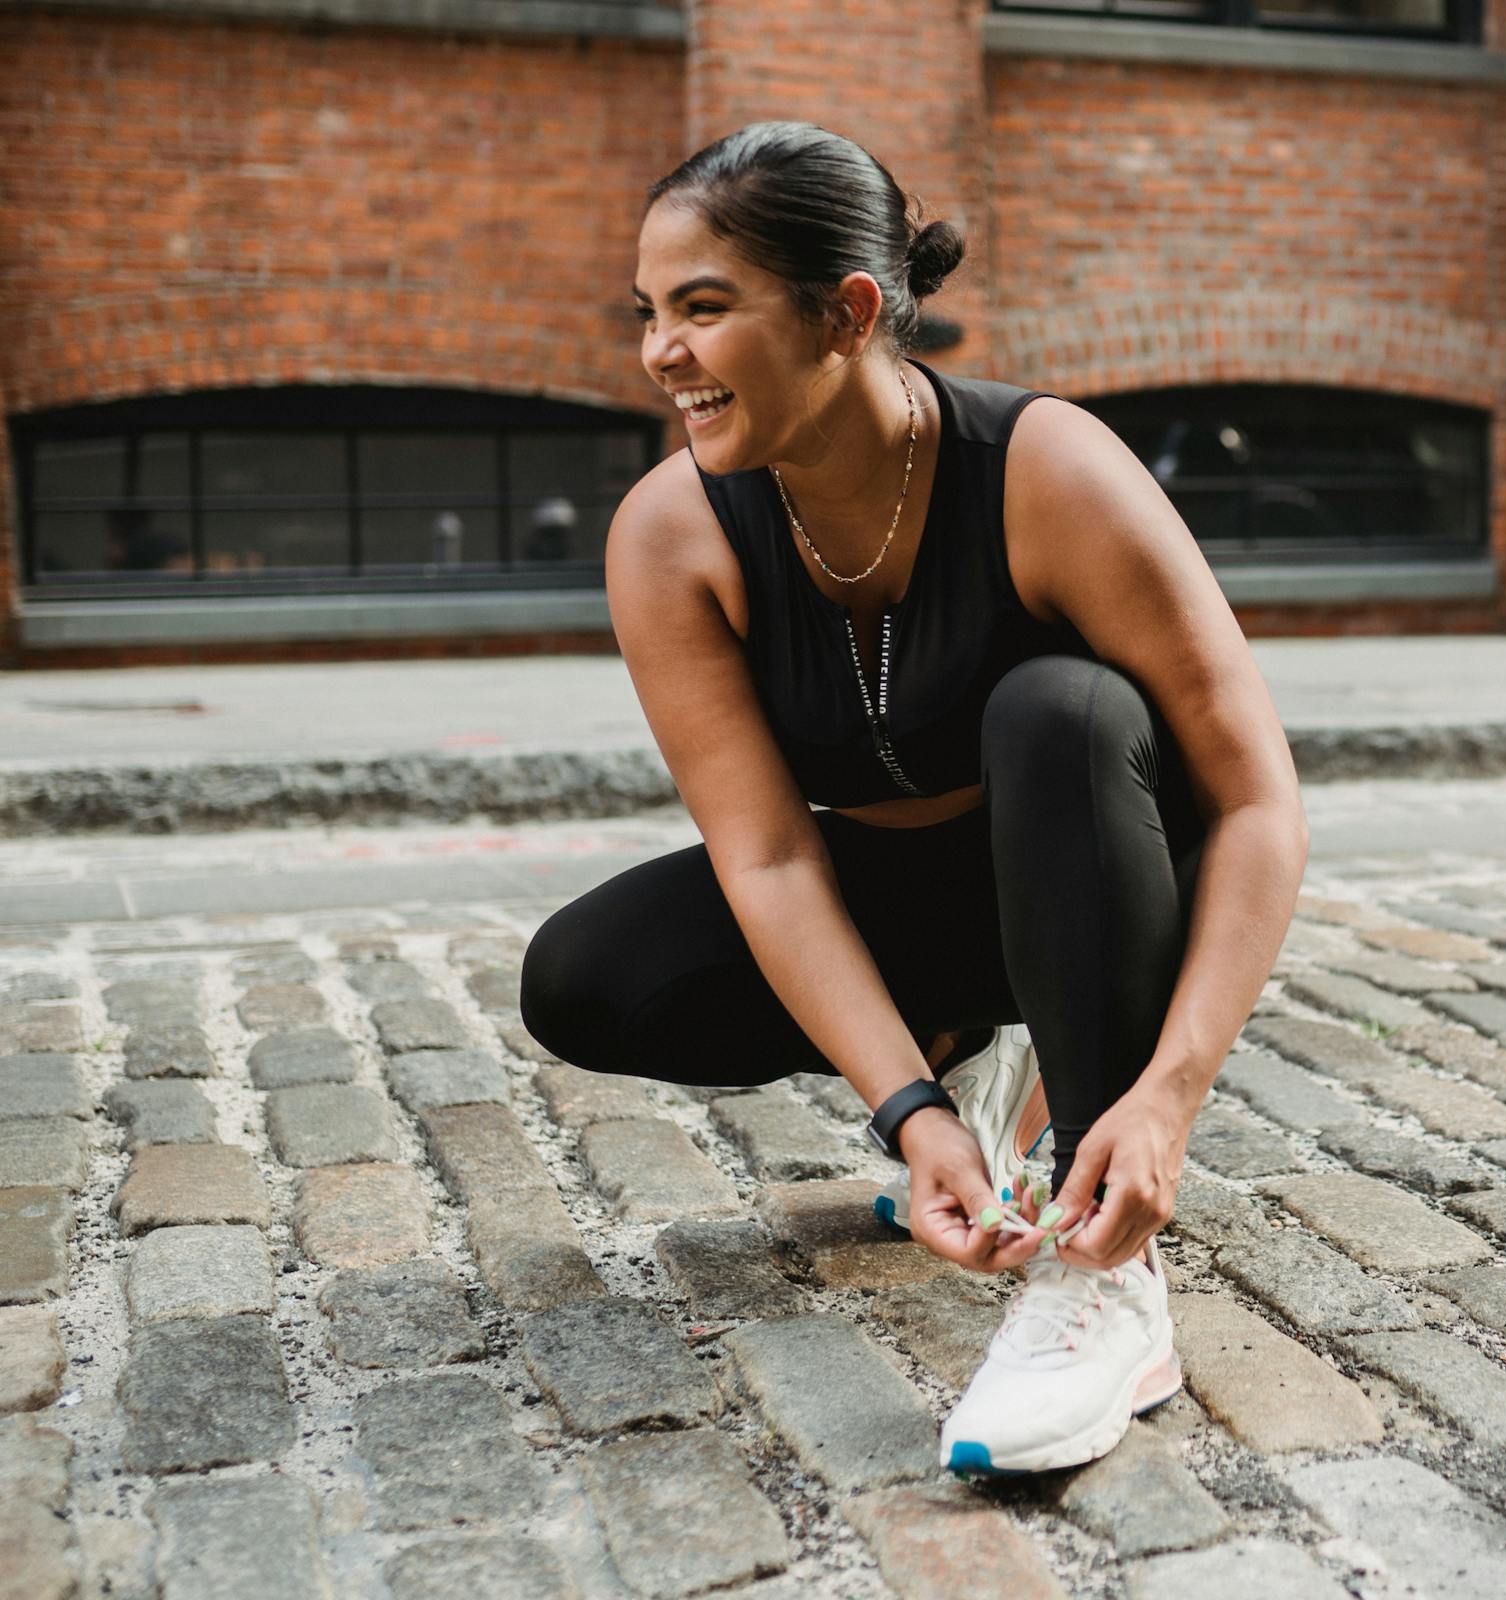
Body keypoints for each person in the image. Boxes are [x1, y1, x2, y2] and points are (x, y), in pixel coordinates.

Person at [517, 121, 1309, 1476]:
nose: (661, 353)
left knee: (1059, 711)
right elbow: (765, 856)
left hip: (1120, 871)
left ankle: (1104, 1279)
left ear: (848, 313)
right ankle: (977, 1067)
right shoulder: (673, 532)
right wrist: (909, 1114)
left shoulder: (1048, 473)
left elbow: (1254, 803)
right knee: (587, 976)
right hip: (923, 910)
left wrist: (1166, 1095)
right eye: (648, 314)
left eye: (704, 309)